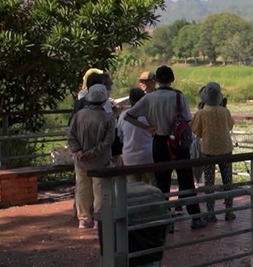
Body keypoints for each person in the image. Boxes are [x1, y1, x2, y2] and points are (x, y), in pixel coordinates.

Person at [124, 65, 208, 229]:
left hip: (159, 142)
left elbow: (129, 115)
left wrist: (147, 127)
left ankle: (165, 220)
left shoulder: (149, 98)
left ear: (155, 80)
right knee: (186, 181)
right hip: (178, 143)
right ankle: (195, 217)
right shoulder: (179, 96)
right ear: (172, 79)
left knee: (162, 182)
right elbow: (186, 119)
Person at [68, 84, 116, 229]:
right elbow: (108, 141)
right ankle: (98, 219)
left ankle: (83, 218)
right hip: (100, 161)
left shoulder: (78, 116)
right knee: (100, 190)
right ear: (103, 100)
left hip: (80, 160)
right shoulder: (107, 118)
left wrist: (78, 151)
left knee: (83, 188)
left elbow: (70, 136)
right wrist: (94, 152)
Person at [192, 82, 236, 221]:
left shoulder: (202, 113)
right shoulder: (225, 111)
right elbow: (230, 126)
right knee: (227, 180)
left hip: (209, 149)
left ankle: (210, 212)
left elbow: (196, 131)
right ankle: (229, 211)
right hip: (226, 148)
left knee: (209, 182)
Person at [117, 88, 155, 184]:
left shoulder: (123, 116)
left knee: (134, 186)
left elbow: (120, 136)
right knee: (154, 183)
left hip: (130, 156)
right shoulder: (150, 114)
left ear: (130, 100)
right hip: (149, 155)